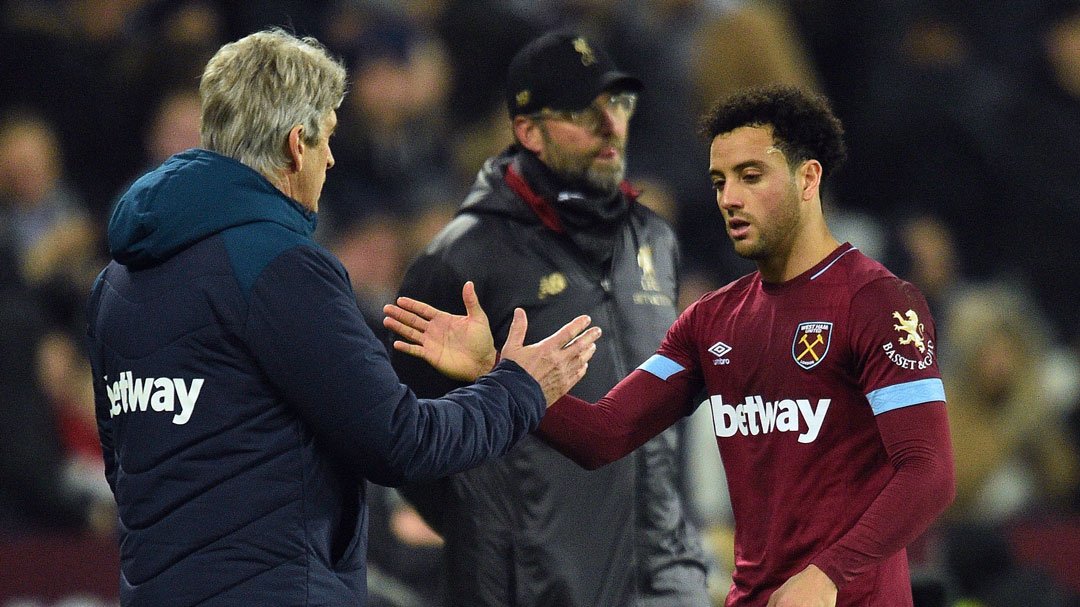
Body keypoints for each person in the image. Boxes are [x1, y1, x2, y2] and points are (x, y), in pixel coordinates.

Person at [84, 28, 601, 607]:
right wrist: (519, 388)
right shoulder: (279, 267)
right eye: (327, 136)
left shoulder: (116, 283)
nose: (332, 158)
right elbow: (398, 443)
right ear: (294, 145)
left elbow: (128, 460)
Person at [385, 86, 956, 607]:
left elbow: (928, 472)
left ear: (809, 179)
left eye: (751, 176)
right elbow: (605, 433)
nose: (730, 197)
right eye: (719, 181)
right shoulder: (712, 320)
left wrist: (829, 573)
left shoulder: (878, 303)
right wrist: (494, 372)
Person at [388, 30, 709, 607]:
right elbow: (406, 437)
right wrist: (507, 542)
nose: (610, 126)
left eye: (616, 104)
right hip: (531, 591)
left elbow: (666, 421)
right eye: (582, 113)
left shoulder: (654, 240)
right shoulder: (461, 259)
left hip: (663, 585)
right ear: (528, 131)